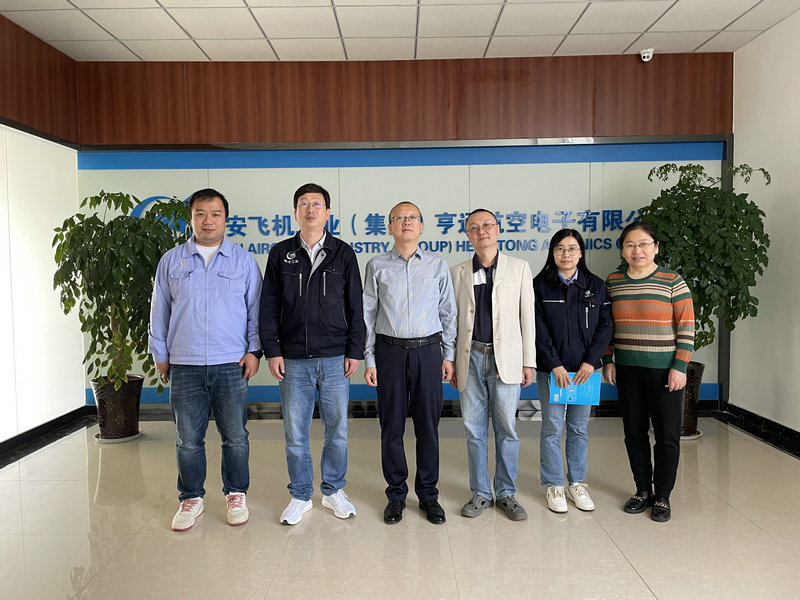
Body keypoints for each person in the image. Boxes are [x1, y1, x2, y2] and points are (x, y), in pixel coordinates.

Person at [149, 188, 263, 531]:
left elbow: (256, 310)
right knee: (188, 439)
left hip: (231, 362)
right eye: (200, 213)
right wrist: (161, 354)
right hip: (185, 363)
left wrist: (254, 350)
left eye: (215, 214)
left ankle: (236, 493)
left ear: (226, 219)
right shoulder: (172, 260)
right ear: (191, 218)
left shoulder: (243, 261)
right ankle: (191, 497)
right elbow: (159, 310)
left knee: (236, 436)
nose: (208, 220)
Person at [259, 183, 365, 525]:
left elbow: (356, 306)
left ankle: (333, 490)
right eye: (303, 204)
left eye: (316, 204)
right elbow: (268, 307)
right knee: (296, 432)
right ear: (295, 212)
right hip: (292, 359)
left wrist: (355, 350)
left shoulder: (343, 253)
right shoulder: (281, 253)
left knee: (338, 429)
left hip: (335, 358)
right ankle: (301, 494)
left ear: (327, 213)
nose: (310, 209)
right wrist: (272, 351)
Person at [362, 202, 457, 525]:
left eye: (412, 218)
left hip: (428, 352)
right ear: (389, 227)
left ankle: (428, 495)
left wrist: (448, 355)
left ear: (421, 226)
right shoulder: (376, 265)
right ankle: (396, 495)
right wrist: (370, 358)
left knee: (428, 427)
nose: (406, 222)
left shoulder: (436, 265)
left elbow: (448, 312)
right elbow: (368, 314)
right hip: (389, 352)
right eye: (399, 218)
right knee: (391, 427)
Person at [602, 221, 694, 523]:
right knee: (634, 432)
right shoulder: (613, 282)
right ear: (622, 250)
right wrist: (608, 359)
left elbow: (687, 327)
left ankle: (663, 496)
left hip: (664, 371)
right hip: (628, 370)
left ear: (655, 247)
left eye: (643, 244)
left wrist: (679, 366)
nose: (637, 250)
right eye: (630, 244)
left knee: (667, 436)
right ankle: (643, 490)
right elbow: (606, 326)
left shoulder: (672, 281)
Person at [449, 209, 535, 521]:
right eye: (473, 227)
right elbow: (452, 321)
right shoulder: (457, 272)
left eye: (486, 225)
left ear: (497, 229)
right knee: (473, 429)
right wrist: (451, 360)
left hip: (506, 358)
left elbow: (528, 317)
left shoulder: (519, 268)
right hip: (470, 357)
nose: (481, 231)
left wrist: (528, 361)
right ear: (468, 235)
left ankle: (507, 492)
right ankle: (481, 492)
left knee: (507, 428)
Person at [534, 229, 613, 514]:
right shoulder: (540, 286)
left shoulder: (596, 286)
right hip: (551, 371)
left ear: (580, 253)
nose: (565, 254)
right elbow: (537, 329)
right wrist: (554, 364)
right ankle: (554, 484)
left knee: (578, 428)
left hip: (585, 373)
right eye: (559, 248)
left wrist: (591, 362)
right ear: (552, 253)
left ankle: (576, 482)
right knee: (552, 428)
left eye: (571, 248)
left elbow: (606, 327)